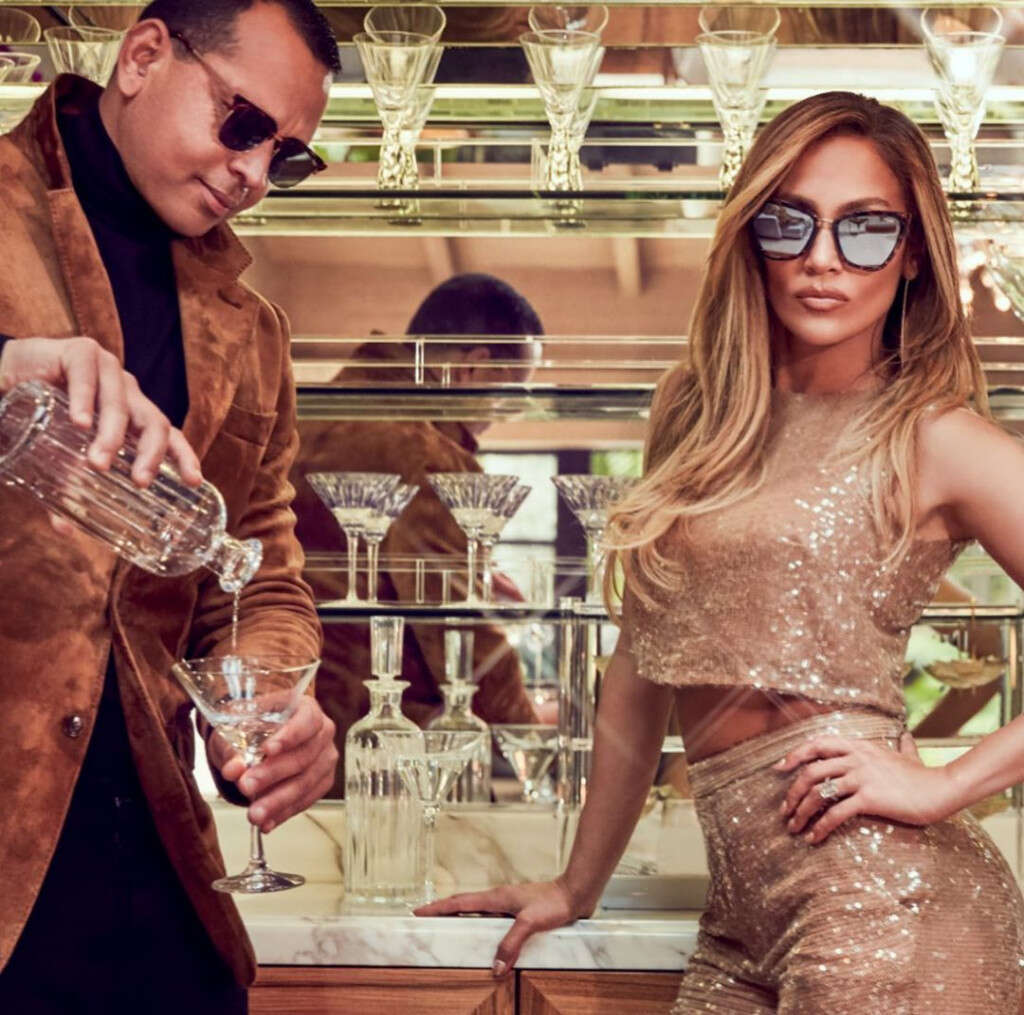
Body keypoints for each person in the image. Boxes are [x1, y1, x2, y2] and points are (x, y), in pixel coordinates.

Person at [417, 91, 1024, 1012]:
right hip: (741, 921)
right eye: (792, 222)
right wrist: (577, 884)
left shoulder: (934, 437)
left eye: (866, 229)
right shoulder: (697, 417)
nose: (823, 258)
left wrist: (942, 786)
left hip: (888, 906)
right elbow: (639, 668)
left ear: (912, 256)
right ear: (752, 236)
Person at [0, 3, 340, 1012]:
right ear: (144, 56)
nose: (254, 173)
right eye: (245, 123)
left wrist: (270, 708)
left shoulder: (252, 329)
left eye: (287, 157)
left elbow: (259, 573)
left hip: (153, 881)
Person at [291, 273, 545, 796]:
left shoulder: (308, 412)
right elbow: (455, 630)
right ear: (475, 367)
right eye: (512, 394)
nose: (506, 416)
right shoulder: (421, 447)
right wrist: (532, 742)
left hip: (291, 720)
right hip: (377, 751)